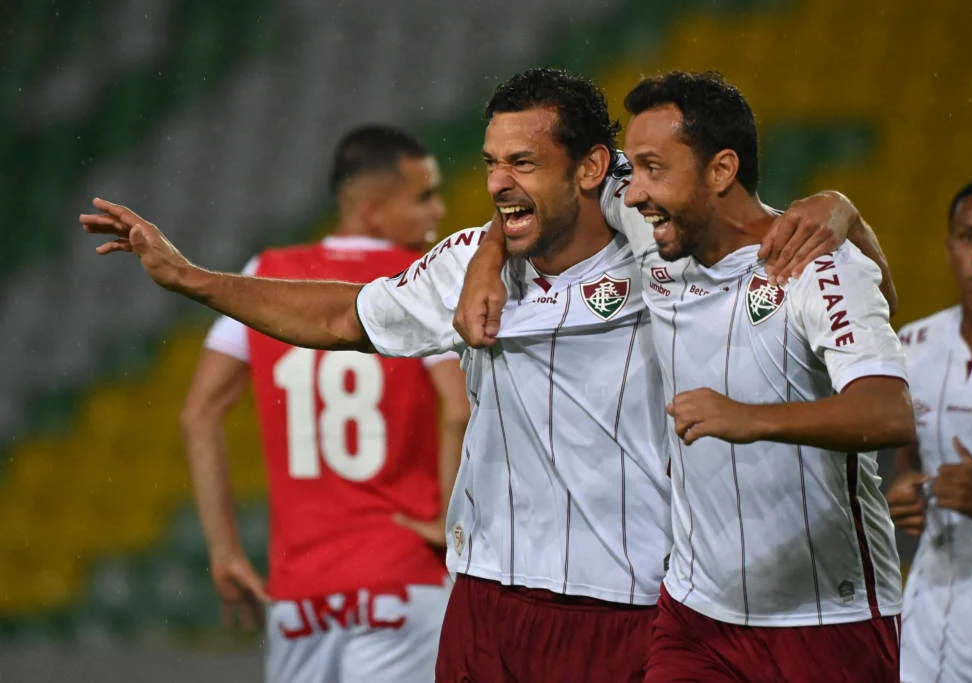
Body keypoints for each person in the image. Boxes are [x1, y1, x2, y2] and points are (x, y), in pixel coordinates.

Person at [82, 68, 873, 682]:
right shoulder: (466, 263)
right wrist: (193, 279)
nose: (499, 181)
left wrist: (838, 204)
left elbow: (729, 205)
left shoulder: (659, 249)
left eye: (525, 162)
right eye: (493, 162)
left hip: (624, 608)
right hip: (485, 600)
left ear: (595, 167)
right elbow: (340, 316)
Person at [456, 71, 910, 683]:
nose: (633, 193)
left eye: (651, 169)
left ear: (721, 171)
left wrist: (750, 420)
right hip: (694, 616)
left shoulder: (815, 266)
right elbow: (536, 187)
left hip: (828, 615)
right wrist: (489, 257)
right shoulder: (658, 236)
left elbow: (888, 413)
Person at [178, 124, 469, 683]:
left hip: (302, 591)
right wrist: (447, 519)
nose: (440, 208)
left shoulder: (265, 275)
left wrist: (225, 548)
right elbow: (458, 409)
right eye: (424, 196)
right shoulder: (414, 282)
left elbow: (200, 412)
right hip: (399, 574)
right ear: (372, 210)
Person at [887, 175, 972, 682]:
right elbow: (907, 465)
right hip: (929, 623)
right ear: (950, 247)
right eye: (969, 237)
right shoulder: (913, 345)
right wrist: (901, 493)